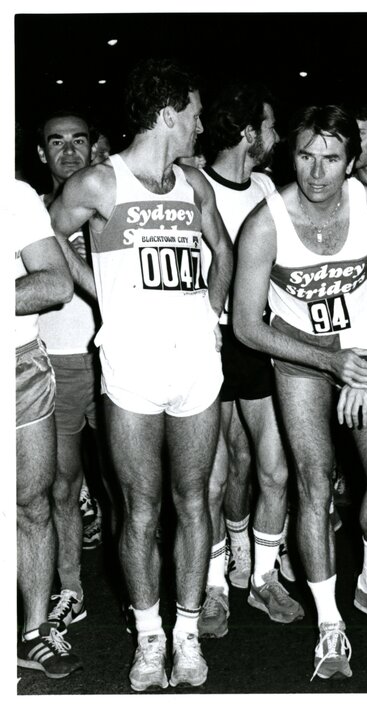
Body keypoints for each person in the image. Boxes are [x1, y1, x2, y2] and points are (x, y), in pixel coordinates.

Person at [47, 58, 234, 691]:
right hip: (130, 367)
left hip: (195, 366)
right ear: (167, 114)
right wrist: (97, 290)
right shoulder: (101, 183)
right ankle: (149, 636)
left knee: (194, 499)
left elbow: (223, 250)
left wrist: (211, 307)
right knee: (140, 509)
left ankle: (186, 636)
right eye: (195, 114)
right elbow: (45, 243)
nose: (201, 125)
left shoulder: (194, 184)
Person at [232, 105, 367, 680]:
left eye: (332, 158)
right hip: (301, 360)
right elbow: (246, 324)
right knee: (313, 483)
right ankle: (328, 619)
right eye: (306, 156)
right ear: (293, 156)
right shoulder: (267, 221)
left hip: (366, 353)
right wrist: (329, 362)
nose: (317, 172)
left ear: (351, 161)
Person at [195, 82, 301, 639]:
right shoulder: (192, 185)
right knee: (213, 479)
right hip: (208, 342)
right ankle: (215, 587)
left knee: (273, 467)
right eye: (269, 125)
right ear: (246, 132)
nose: (276, 137)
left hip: (258, 339)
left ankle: (262, 577)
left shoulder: (265, 187)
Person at [34, 109, 107, 635]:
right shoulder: (28, 215)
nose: (68, 152)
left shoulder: (111, 204)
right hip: (54, 362)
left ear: (93, 147)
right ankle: (70, 590)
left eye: (78, 141)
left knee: (129, 485)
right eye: (56, 143)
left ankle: (140, 596)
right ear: (41, 154)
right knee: (61, 486)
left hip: (114, 360)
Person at [14, 177, 80, 680]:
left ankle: (36, 630)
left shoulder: (12, 195)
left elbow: (56, 282)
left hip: (18, 367)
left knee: (33, 503)